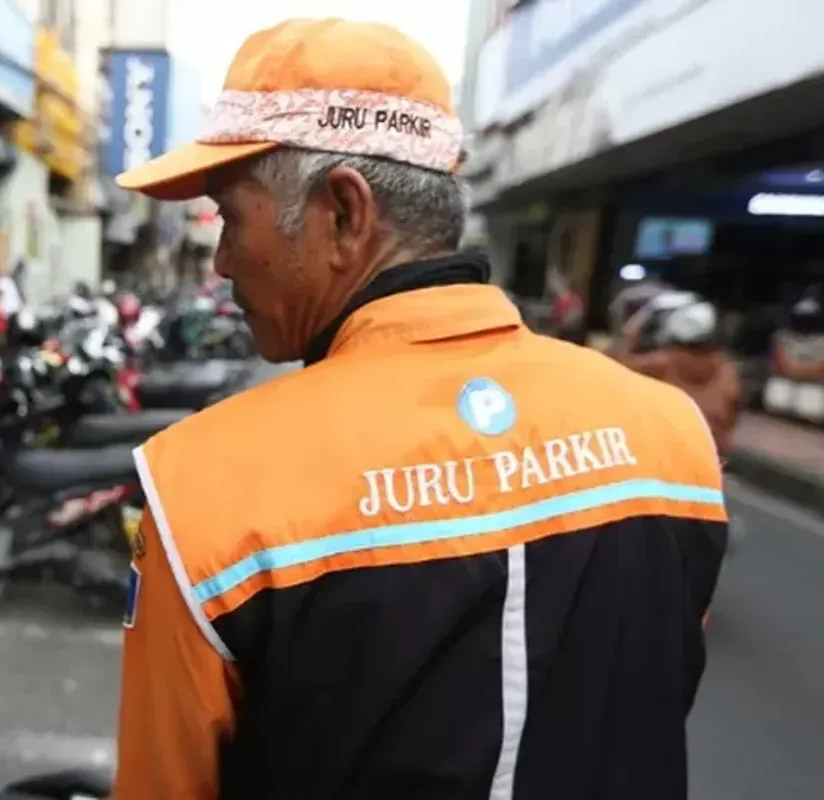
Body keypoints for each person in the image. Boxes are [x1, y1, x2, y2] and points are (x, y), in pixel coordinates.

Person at [111, 18, 728, 799]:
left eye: (231, 218)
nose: (223, 260)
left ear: (343, 212)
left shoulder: (199, 487)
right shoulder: (672, 435)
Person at [618, 291, 741, 458]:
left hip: (665, 451)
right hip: (709, 455)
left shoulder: (662, 362)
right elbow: (731, 416)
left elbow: (610, 370)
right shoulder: (727, 370)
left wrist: (630, 334)